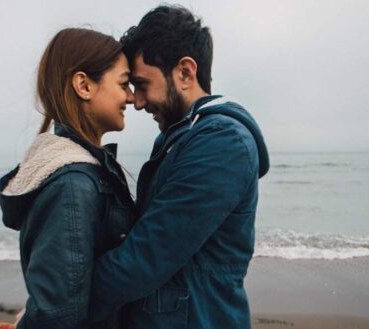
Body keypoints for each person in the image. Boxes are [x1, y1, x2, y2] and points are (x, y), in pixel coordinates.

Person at [88, 5, 270, 329]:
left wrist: (57, 308)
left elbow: (146, 256)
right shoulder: (179, 138)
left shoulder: (222, 143)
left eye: (143, 84)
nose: (138, 102)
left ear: (185, 72)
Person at [0, 28, 136, 329]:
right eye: (124, 84)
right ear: (84, 85)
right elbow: (58, 315)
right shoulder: (72, 184)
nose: (131, 97)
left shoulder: (79, 172)